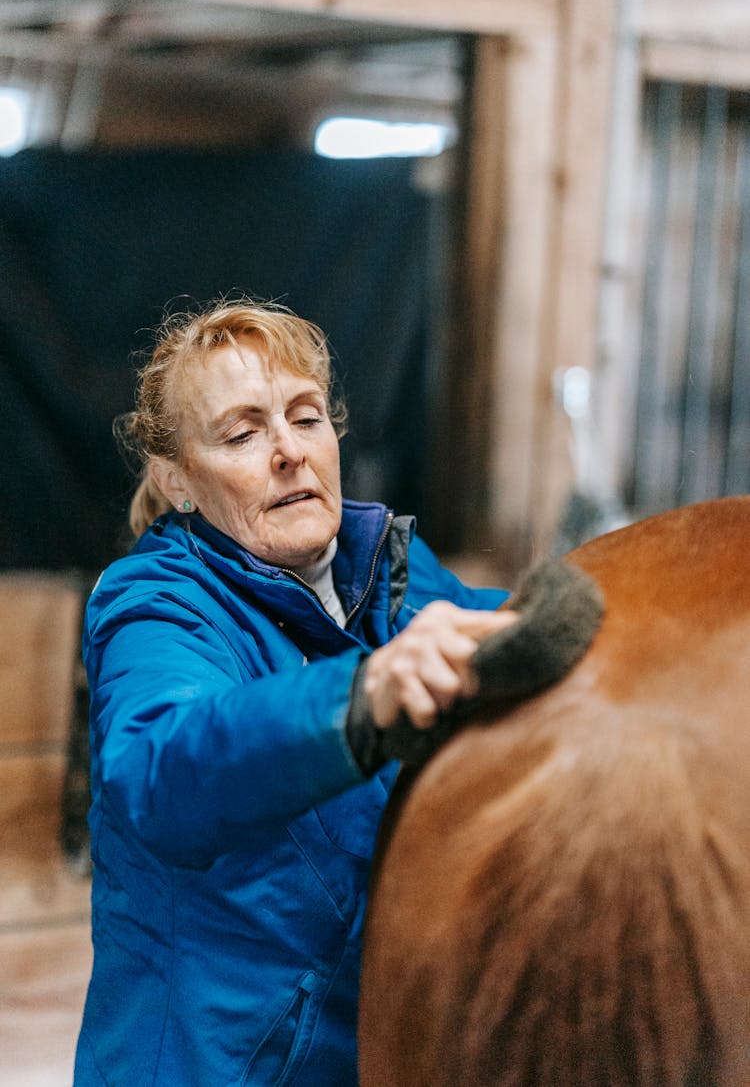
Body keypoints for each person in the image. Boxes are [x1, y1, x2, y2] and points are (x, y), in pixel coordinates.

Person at [73, 298, 514, 1086]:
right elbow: (158, 766)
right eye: (242, 433)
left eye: (306, 417)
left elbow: (510, 626)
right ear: (176, 481)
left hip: (372, 1050)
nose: (288, 451)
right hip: (220, 1066)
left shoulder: (390, 577)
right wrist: (361, 693)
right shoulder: (156, 603)